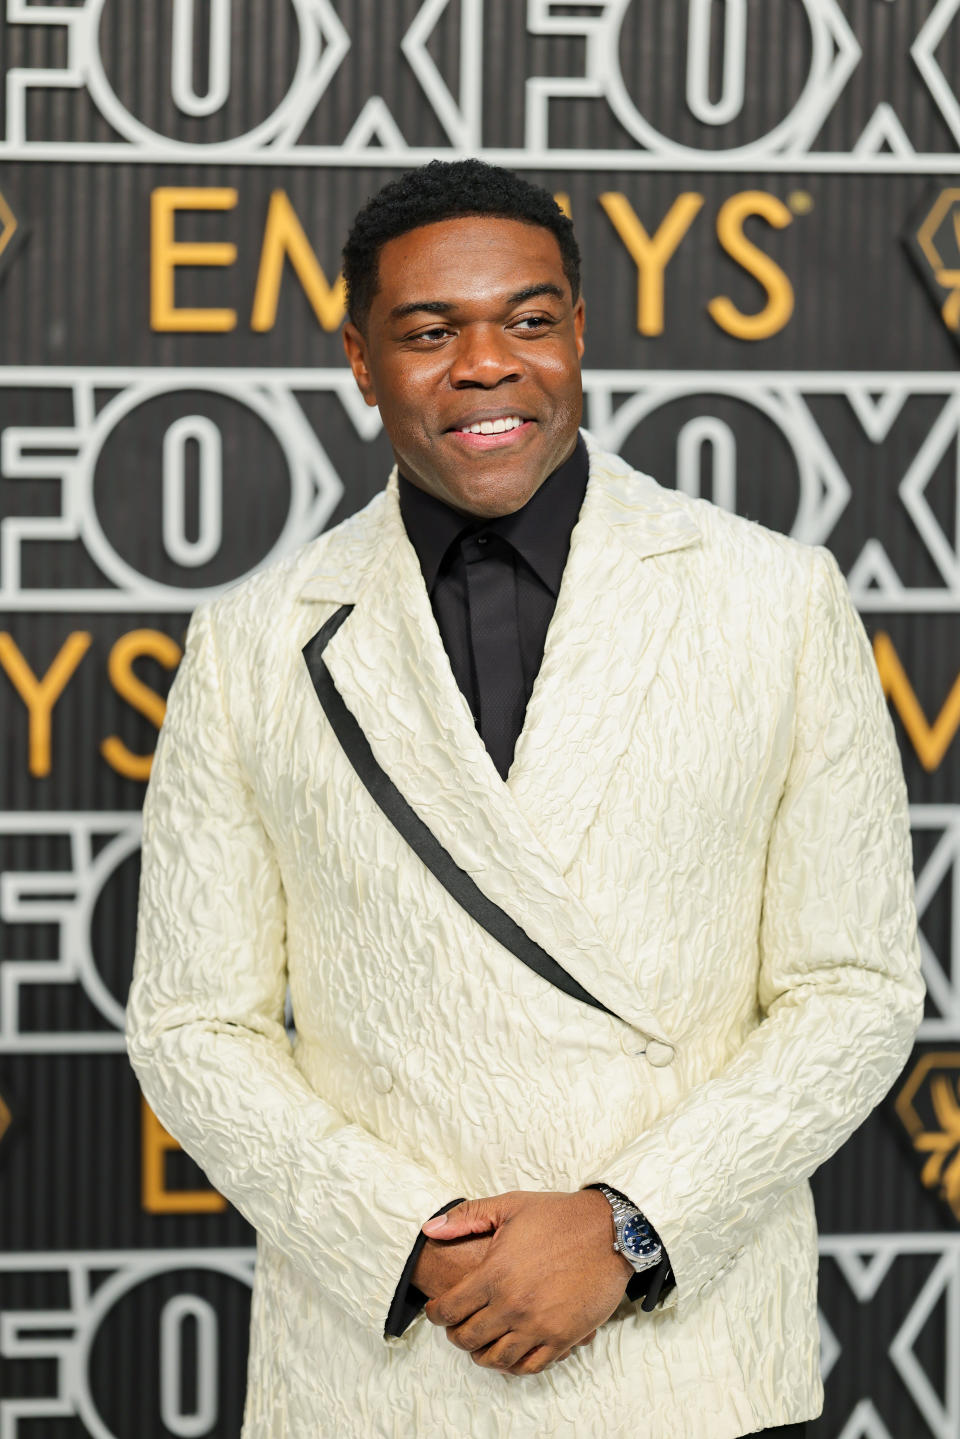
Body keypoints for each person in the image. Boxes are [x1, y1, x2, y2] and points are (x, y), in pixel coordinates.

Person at [125, 159, 925, 1439]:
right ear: (361, 358)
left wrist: (629, 1222)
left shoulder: (773, 599)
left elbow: (859, 988)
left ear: (579, 332)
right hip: (380, 1368)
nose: (487, 362)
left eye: (529, 319)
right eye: (431, 330)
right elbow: (191, 1023)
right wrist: (410, 1238)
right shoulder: (252, 639)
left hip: (693, 1363)